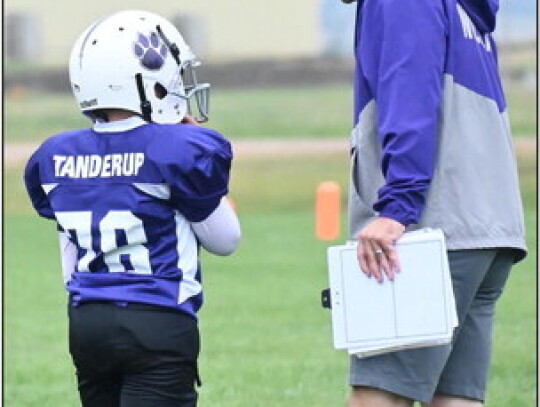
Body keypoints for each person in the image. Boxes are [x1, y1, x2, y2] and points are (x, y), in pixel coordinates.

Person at [24, 10, 241, 407]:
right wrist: (206, 175)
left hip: (87, 321)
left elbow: (69, 260)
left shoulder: (55, 155)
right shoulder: (177, 150)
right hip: (157, 317)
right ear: (148, 77)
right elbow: (226, 239)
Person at [343, 0, 526, 406]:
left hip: (430, 225)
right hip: (487, 226)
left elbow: (409, 93)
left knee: (379, 391)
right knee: (456, 395)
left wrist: (397, 207)